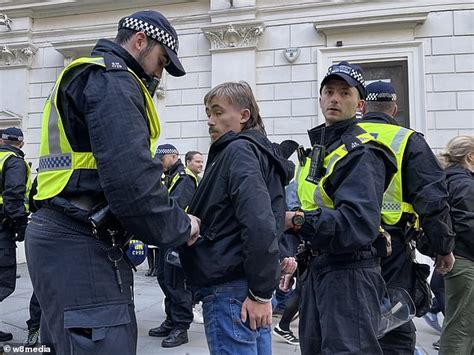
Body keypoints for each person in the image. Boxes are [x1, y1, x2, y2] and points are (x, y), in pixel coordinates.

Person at [25, 10, 200, 354]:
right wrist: (182, 226)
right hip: (81, 240)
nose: (159, 74)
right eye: (161, 61)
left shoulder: (87, 75)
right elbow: (133, 185)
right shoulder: (114, 81)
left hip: (61, 232)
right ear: (140, 41)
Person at [287, 61, 398, 354]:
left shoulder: (362, 153)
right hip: (317, 269)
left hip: (350, 273)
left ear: (359, 103)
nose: (335, 99)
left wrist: (298, 221)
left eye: (344, 93)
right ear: (321, 98)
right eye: (329, 91)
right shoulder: (321, 151)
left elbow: (356, 224)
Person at [180, 81, 294, 354]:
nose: (210, 120)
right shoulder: (253, 151)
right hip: (243, 286)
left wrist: (259, 293)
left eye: (218, 112)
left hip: (231, 289)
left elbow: (259, 223)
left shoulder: (238, 151)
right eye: (208, 112)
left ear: (244, 115)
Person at [361, 81, 455, 354]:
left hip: (343, 246)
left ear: (362, 106)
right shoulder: (407, 140)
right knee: (394, 332)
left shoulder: (344, 137)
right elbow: (433, 200)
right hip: (392, 250)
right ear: (394, 109)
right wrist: (442, 248)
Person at [149, 144, 197, 348]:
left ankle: (181, 326)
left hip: (178, 238)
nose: (159, 163)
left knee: (176, 283)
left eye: (161, 159)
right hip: (168, 237)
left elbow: (176, 205)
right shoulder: (170, 176)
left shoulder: (184, 177)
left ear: (173, 156)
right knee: (164, 278)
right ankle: (171, 319)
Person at [439, 136, 474, 355]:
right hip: (466, 262)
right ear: (470, 156)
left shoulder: (448, 179)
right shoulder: (464, 183)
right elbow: (467, 223)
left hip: (459, 260)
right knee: (460, 331)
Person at [0, 127, 31, 342]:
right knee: (3, 280)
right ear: (20, 143)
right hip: (2, 227)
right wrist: (21, 225)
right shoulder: (14, 162)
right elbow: (13, 195)